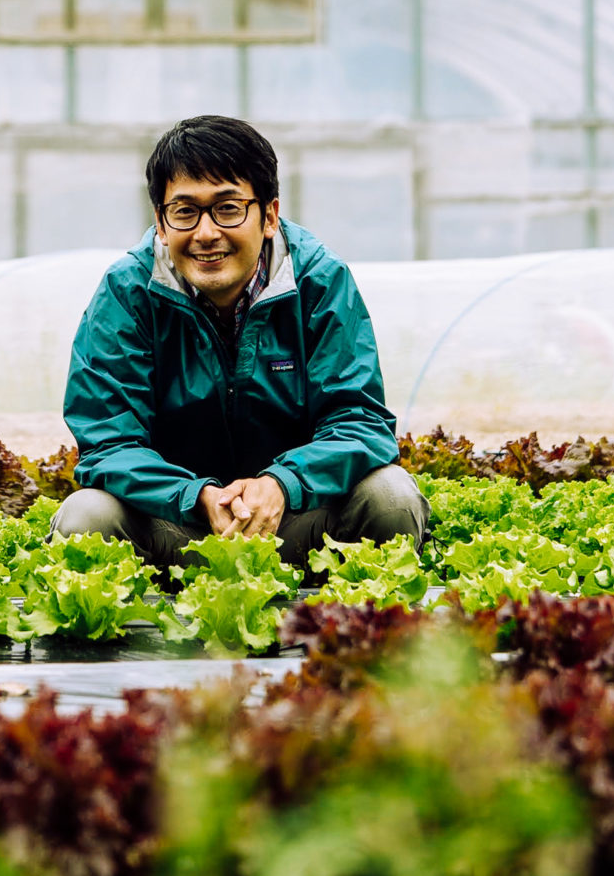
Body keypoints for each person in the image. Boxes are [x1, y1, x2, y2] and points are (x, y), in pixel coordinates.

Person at [52, 114, 426, 570]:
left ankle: (337, 632)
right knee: (86, 516)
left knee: (391, 496)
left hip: (293, 525)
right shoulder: (127, 293)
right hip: (180, 530)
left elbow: (360, 421)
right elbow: (109, 442)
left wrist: (282, 484)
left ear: (268, 215)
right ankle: (138, 637)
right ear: (161, 222)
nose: (206, 233)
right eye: (185, 211)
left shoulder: (319, 283)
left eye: (228, 208)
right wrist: (195, 496)